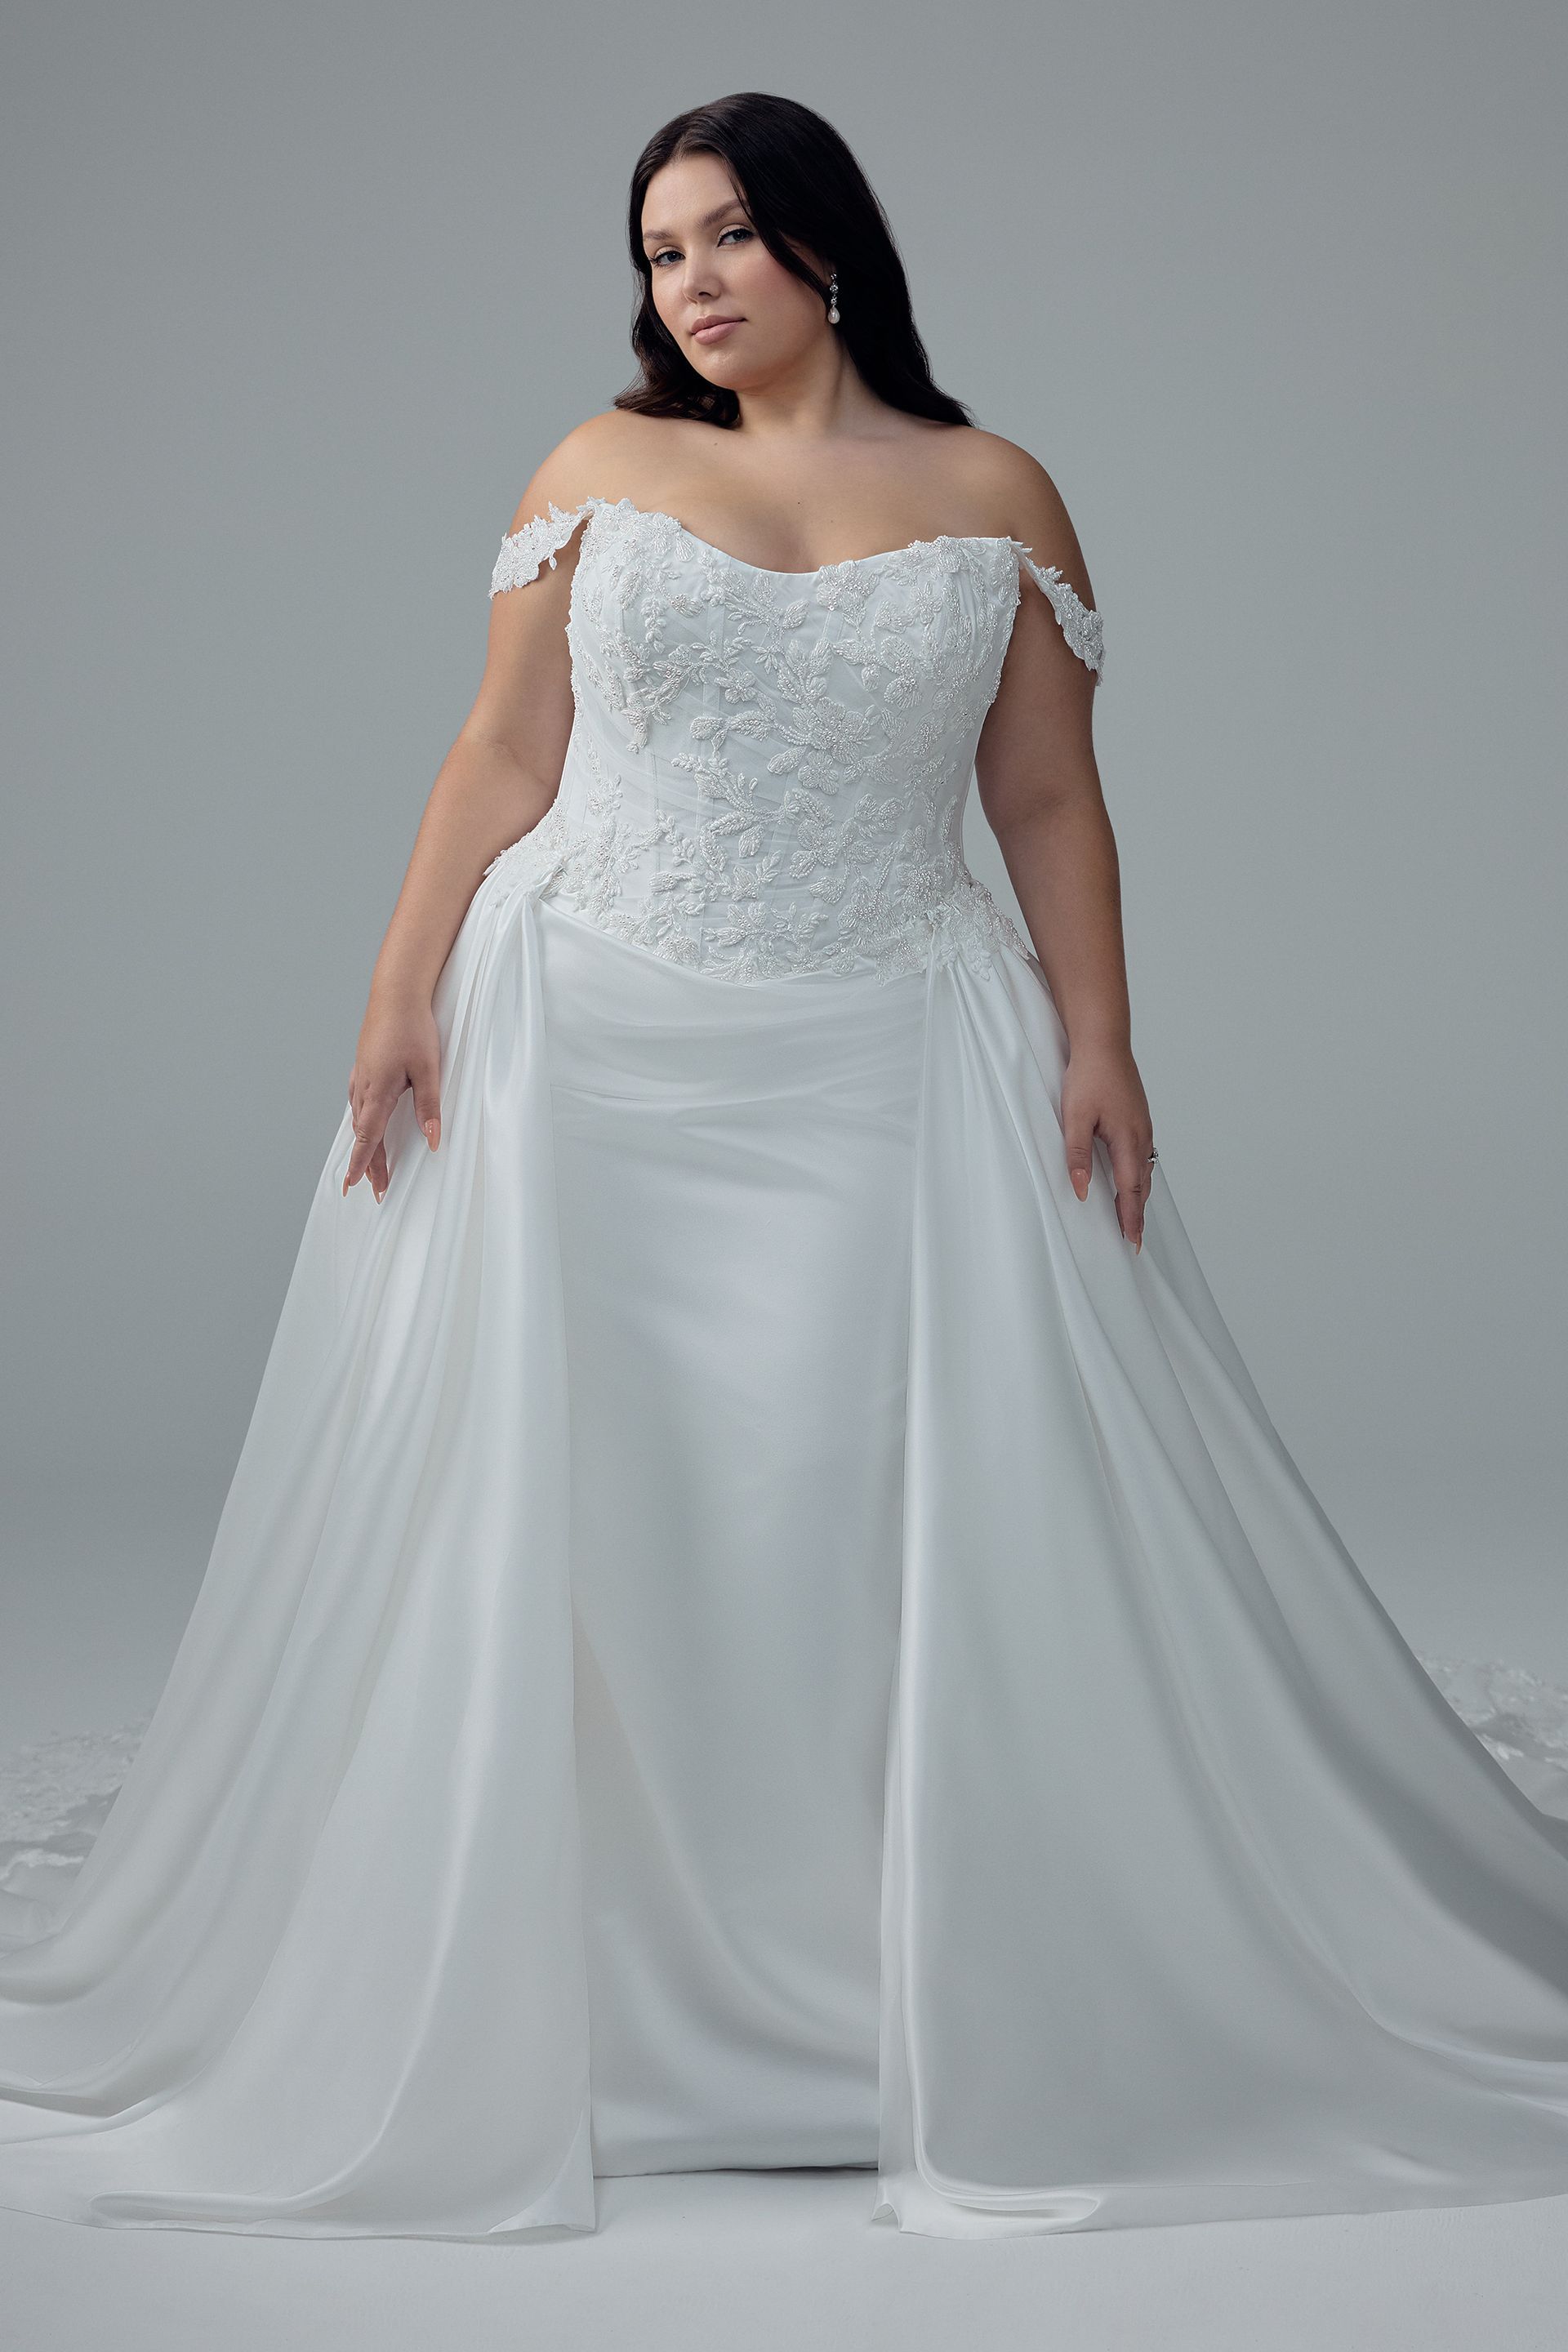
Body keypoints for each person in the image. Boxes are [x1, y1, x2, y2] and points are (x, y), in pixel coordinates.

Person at [2, 88, 1568, 2247]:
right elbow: (507, 749)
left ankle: (879, 1976)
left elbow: (1042, 803)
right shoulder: (602, 471)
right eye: (661, 253)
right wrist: (396, 993)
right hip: (587, 1040)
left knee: (852, 1509)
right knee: (583, 1506)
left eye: (729, 234)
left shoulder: (996, 491)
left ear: (830, 240)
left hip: (895, 1049)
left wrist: (1100, 1037)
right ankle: (596, 1991)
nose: (696, 284)